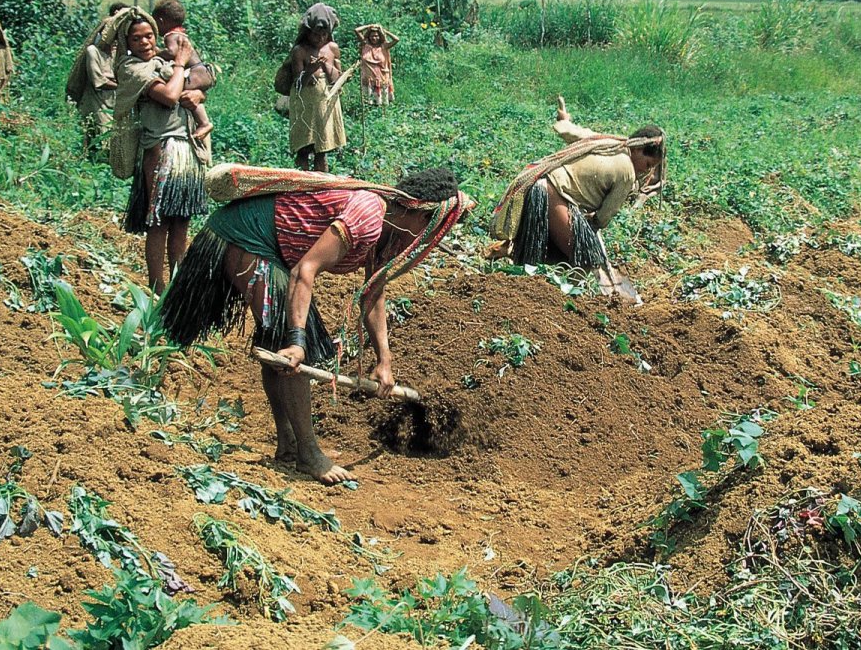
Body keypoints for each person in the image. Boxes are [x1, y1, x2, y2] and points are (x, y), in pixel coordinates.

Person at [160, 164, 473, 484]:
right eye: (430, 228)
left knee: (278, 346)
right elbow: (305, 270)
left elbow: (373, 293)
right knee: (293, 347)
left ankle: (289, 444)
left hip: (273, 250)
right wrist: (297, 340)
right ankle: (308, 453)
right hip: (247, 238)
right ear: (421, 216)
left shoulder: (391, 232)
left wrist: (384, 361)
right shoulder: (367, 217)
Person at [488, 96, 665, 302]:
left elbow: (572, 132)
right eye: (648, 163)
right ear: (636, 149)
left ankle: (508, 254)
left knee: (547, 251)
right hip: (552, 193)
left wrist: (563, 118)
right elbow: (605, 216)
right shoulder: (627, 171)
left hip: (539, 187)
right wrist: (593, 222)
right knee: (587, 258)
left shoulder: (608, 142)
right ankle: (564, 301)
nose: (648, 170)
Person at [110, 7, 208, 291]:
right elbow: (168, 96)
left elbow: (201, 79)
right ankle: (156, 286)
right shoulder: (131, 69)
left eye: (149, 36)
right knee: (159, 221)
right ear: (126, 43)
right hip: (160, 150)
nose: (144, 42)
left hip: (186, 148)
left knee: (181, 221)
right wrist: (180, 63)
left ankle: (178, 285)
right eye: (136, 38)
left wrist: (199, 90)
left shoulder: (160, 63)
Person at [275, 3, 345, 172]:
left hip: (324, 102)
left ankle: (320, 186)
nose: (320, 38)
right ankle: (302, 186)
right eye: (316, 35)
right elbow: (299, 84)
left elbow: (338, 79)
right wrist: (309, 71)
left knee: (322, 149)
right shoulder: (300, 51)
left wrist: (327, 67)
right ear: (308, 33)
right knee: (304, 148)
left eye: (324, 34)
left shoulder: (332, 49)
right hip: (304, 103)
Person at [66, 2, 129, 159]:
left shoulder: (118, 54)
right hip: (95, 101)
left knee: (111, 137)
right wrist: (124, 86)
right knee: (101, 139)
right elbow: (99, 82)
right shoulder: (93, 52)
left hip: (112, 101)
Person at [151, 0, 214, 143]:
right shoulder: (181, 33)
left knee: (178, 90)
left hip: (195, 73)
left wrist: (157, 53)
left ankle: (204, 123)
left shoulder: (170, 36)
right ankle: (204, 123)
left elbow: (173, 53)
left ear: (161, 21)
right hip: (202, 71)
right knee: (190, 95)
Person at [354, 23, 398, 105]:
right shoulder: (365, 44)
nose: (374, 38)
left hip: (381, 78)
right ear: (369, 37)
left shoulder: (384, 46)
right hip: (368, 79)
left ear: (380, 36)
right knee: (368, 102)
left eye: (376, 36)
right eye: (372, 36)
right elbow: (356, 30)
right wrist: (369, 26)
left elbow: (396, 39)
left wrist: (384, 31)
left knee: (382, 103)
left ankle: (382, 117)